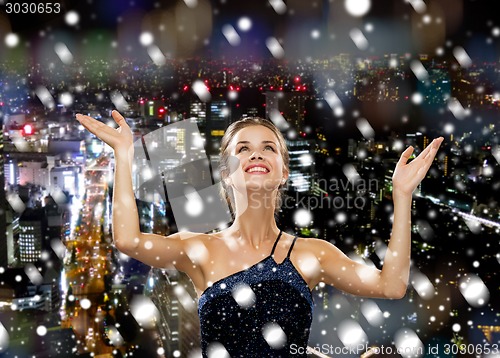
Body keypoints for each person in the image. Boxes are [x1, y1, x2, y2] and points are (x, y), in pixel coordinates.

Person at [76, 110, 443, 357]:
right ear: (226, 172)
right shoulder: (199, 249)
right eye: (243, 149)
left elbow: (391, 286)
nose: (257, 154)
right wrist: (123, 155)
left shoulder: (311, 253)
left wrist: (402, 196)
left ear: (283, 171)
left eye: (269, 148)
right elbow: (127, 240)